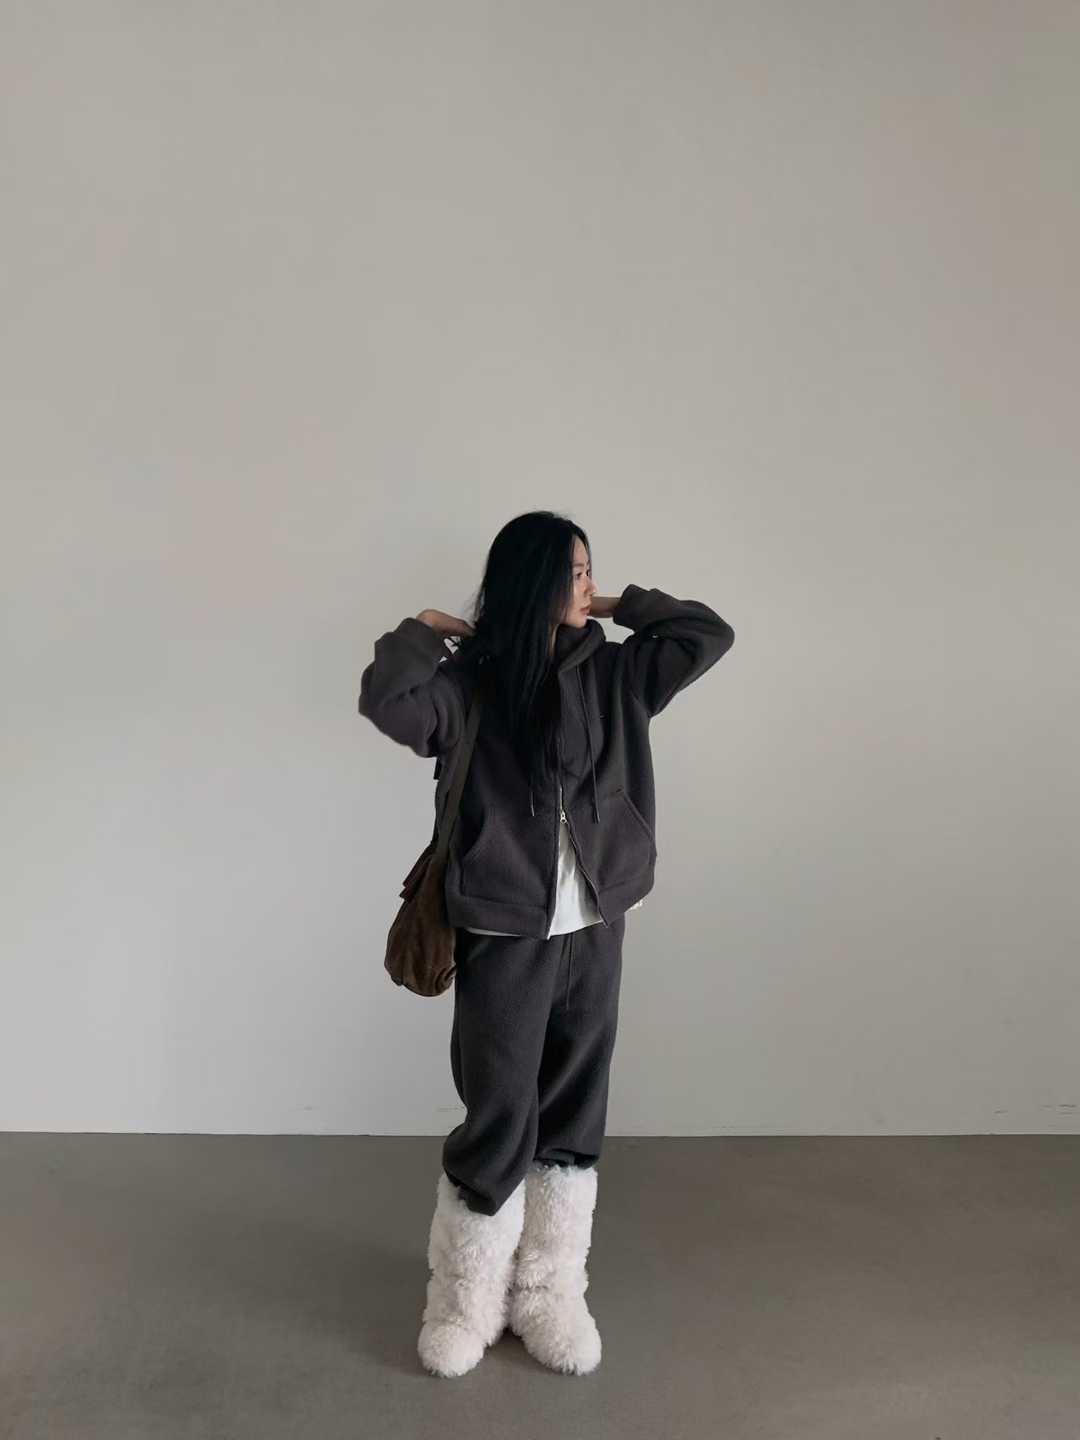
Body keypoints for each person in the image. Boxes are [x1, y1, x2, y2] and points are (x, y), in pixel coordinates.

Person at [357, 511, 735, 1378]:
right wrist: (424, 631)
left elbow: (706, 634)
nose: (585, 584)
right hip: (503, 927)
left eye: (589, 569)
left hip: (596, 923)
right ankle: (464, 1302)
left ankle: (548, 1294)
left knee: (573, 1111)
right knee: (500, 1112)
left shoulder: (617, 670)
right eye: (571, 571)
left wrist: (617, 602)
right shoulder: (471, 683)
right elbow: (392, 703)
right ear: (528, 581)